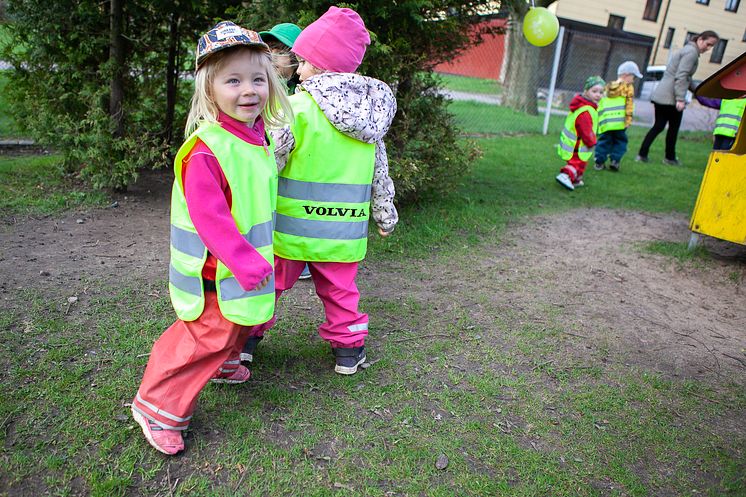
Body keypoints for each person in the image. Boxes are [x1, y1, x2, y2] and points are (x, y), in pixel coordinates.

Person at [130, 21, 291, 455]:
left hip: (243, 264)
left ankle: (225, 364)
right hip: (215, 268)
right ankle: (156, 405)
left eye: (258, 79)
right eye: (233, 80)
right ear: (209, 89)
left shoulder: (255, 137)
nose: (249, 90)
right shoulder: (206, 150)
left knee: (239, 321)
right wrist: (243, 258)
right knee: (205, 335)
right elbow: (210, 217)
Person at [270, 6, 398, 375]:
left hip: (288, 231)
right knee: (341, 291)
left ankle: (245, 341)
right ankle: (349, 352)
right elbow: (380, 173)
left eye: (304, 62)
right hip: (343, 233)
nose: (299, 69)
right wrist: (385, 215)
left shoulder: (295, 108)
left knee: (270, 287)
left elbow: (271, 160)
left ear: (318, 66)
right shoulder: (369, 120)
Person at [258, 23, 311, 282]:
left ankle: (304, 259)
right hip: (269, 154)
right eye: (269, 49)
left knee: (296, 205)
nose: (271, 56)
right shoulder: (262, 87)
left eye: (279, 50)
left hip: (299, 162)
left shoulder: (304, 93)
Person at [636, 30, 720, 165]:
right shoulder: (691, 53)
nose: (708, 49)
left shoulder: (688, 50)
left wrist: (697, 91)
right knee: (672, 129)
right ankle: (669, 158)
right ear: (700, 40)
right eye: (708, 44)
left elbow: (686, 77)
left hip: (662, 95)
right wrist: (680, 99)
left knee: (658, 126)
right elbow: (681, 76)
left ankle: (642, 155)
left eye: (712, 46)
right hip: (671, 98)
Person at [556, 75, 604, 191]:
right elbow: (585, 129)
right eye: (594, 91)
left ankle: (576, 179)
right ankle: (565, 175)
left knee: (581, 163)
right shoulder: (586, 110)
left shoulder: (587, 107)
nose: (598, 95)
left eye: (601, 92)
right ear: (586, 91)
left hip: (577, 144)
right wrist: (591, 141)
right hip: (577, 144)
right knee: (576, 163)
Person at [594, 61, 643, 172]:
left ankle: (599, 161)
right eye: (633, 77)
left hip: (607, 122)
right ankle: (615, 160)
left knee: (604, 140)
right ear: (626, 75)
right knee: (620, 142)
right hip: (620, 122)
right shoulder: (628, 88)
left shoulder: (609, 87)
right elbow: (629, 105)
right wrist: (628, 119)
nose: (633, 80)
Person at [260, 23, 302, 95]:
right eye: (268, 52)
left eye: (280, 53)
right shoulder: (258, 87)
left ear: (296, 58)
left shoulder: (307, 89)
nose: (272, 58)